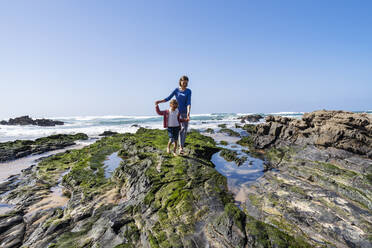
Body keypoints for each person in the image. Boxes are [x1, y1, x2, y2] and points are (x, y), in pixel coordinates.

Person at [155, 75, 191, 154]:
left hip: (185, 113)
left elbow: (188, 103)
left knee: (184, 130)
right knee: (178, 129)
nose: (185, 84)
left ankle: (181, 148)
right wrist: (159, 102)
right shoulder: (176, 90)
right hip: (176, 112)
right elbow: (168, 98)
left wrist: (188, 113)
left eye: (186, 83)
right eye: (183, 82)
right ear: (180, 82)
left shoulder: (188, 91)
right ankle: (176, 146)